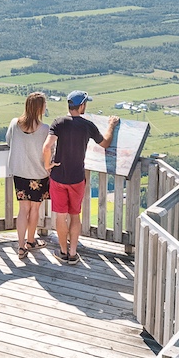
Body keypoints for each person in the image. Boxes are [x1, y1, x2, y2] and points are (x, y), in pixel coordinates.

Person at [42, 90, 117, 264]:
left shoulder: (58, 122)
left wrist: (48, 165)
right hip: (77, 178)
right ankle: (73, 253)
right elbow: (105, 143)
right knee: (75, 215)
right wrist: (111, 125)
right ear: (82, 105)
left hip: (58, 176)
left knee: (60, 216)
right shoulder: (87, 125)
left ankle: (62, 252)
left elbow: (47, 147)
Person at [4, 92, 53, 260]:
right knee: (34, 209)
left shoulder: (14, 123)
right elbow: (49, 151)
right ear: (40, 108)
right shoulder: (45, 129)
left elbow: (9, 141)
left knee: (23, 209)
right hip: (38, 174)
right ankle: (31, 241)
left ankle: (20, 246)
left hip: (19, 172)